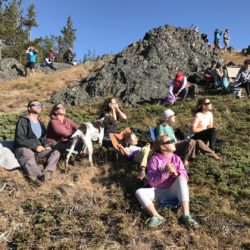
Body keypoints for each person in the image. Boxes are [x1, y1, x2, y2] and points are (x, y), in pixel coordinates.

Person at [135, 135, 199, 229]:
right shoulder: (154, 159)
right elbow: (152, 182)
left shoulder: (176, 158)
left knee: (181, 178)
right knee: (139, 192)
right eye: (171, 141)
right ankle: (156, 216)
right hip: (158, 191)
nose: (174, 141)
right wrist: (165, 172)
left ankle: (186, 215)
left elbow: (185, 176)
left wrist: (176, 174)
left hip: (173, 190)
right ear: (163, 146)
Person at [14, 100, 60, 182]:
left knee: (55, 152)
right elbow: (19, 139)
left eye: (41, 105)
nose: (39, 106)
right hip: (25, 148)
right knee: (26, 153)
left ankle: (47, 173)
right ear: (29, 108)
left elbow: (43, 138)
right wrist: (35, 147)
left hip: (37, 151)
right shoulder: (23, 120)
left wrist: (46, 145)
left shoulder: (40, 122)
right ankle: (38, 178)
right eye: (36, 104)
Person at [155, 109, 219, 167]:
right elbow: (161, 140)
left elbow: (175, 139)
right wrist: (174, 142)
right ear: (168, 118)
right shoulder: (161, 127)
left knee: (198, 141)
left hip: (175, 145)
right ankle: (185, 160)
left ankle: (213, 155)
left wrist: (179, 141)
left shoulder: (170, 128)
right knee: (192, 141)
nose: (175, 116)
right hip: (170, 146)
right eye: (173, 115)